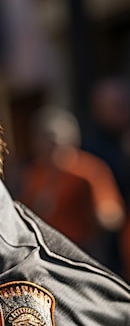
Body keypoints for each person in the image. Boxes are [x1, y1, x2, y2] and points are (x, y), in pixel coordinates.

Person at [18, 105, 126, 272]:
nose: (49, 148)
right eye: (43, 140)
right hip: (46, 253)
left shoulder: (90, 171)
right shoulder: (34, 174)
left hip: (82, 253)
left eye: (54, 141)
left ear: (71, 140)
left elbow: (112, 214)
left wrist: (102, 213)